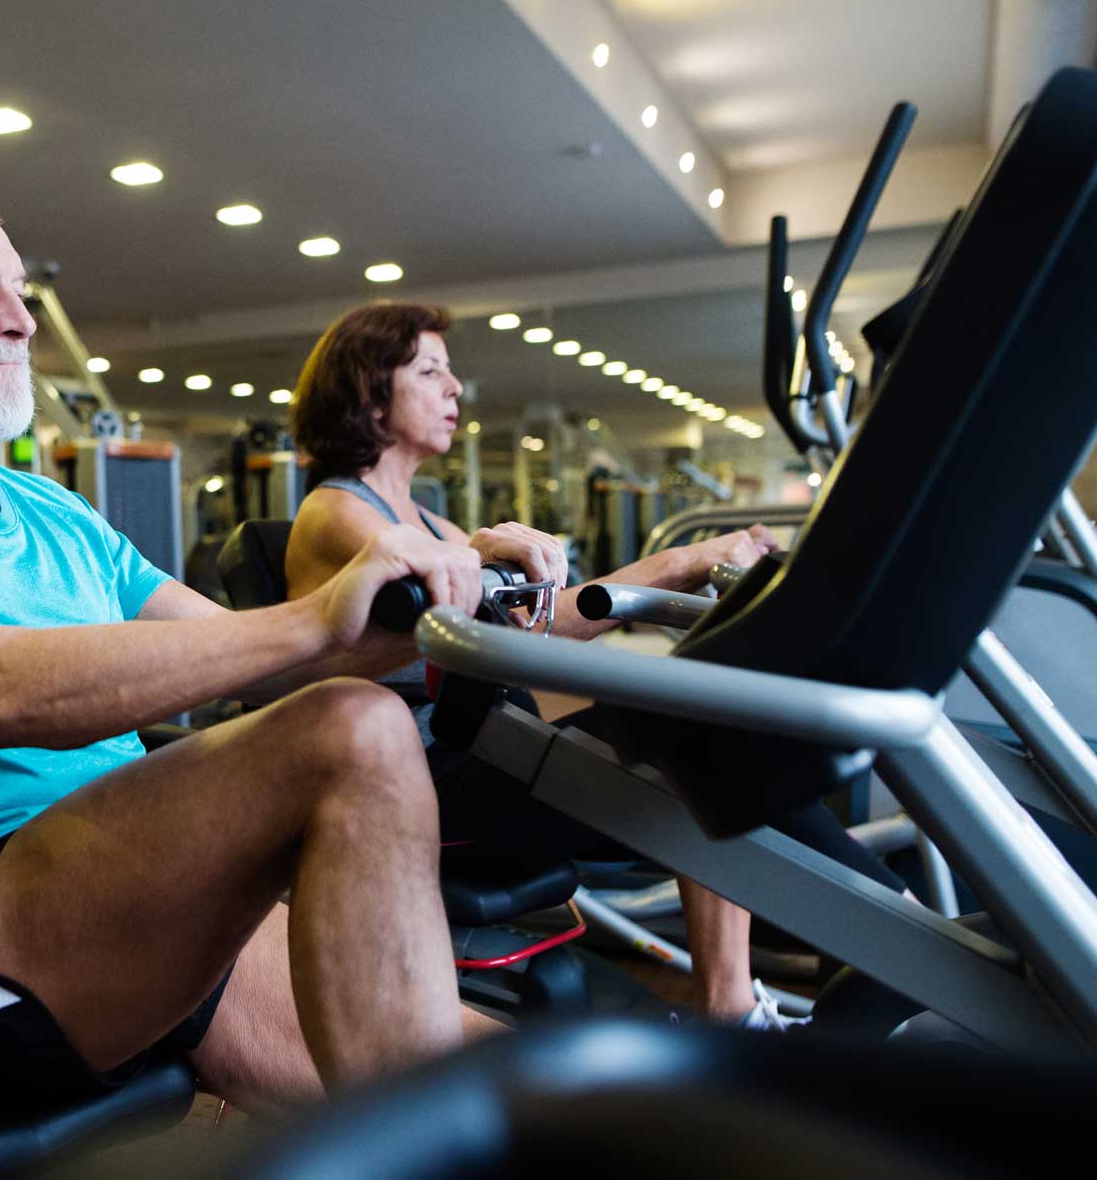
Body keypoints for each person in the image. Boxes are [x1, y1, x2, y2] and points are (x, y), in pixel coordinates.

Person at [0, 178, 504, 1115]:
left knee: (520, 1092)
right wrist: (313, 617)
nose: (20, 322)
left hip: (122, 877)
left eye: (20, 292)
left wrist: (460, 593)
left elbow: (262, 656)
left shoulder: (53, 509)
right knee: (355, 730)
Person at [283, 302, 909, 1027]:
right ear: (368, 394)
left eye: (452, 372)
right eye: (430, 371)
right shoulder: (335, 513)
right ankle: (862, 944)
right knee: (695, 752)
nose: (456, 389)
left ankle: (813, 967)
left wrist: (679, 569)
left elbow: (533, 629)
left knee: (707, 731)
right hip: (418, 788)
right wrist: (676, 562)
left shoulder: (429, 520)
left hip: (481, 751)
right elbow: (439, 599)